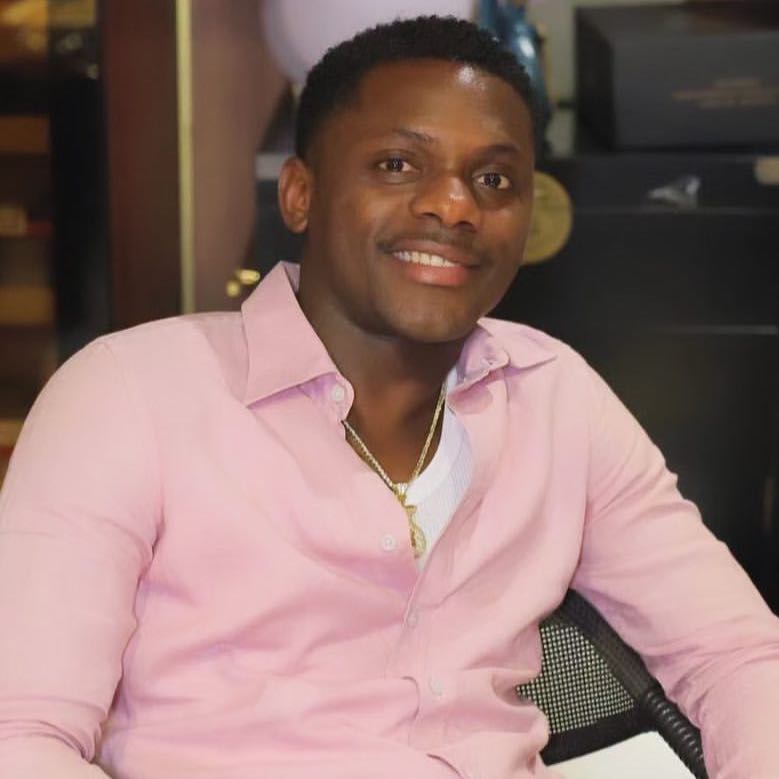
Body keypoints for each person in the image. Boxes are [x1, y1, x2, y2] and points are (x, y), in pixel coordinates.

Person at [0, 15, 777, 779]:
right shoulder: (129, 397)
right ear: (300, 194)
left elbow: (736, 654)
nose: (454, 205)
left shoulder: (554, 396)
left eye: (493, 179)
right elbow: (20, 735)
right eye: (398, 164)